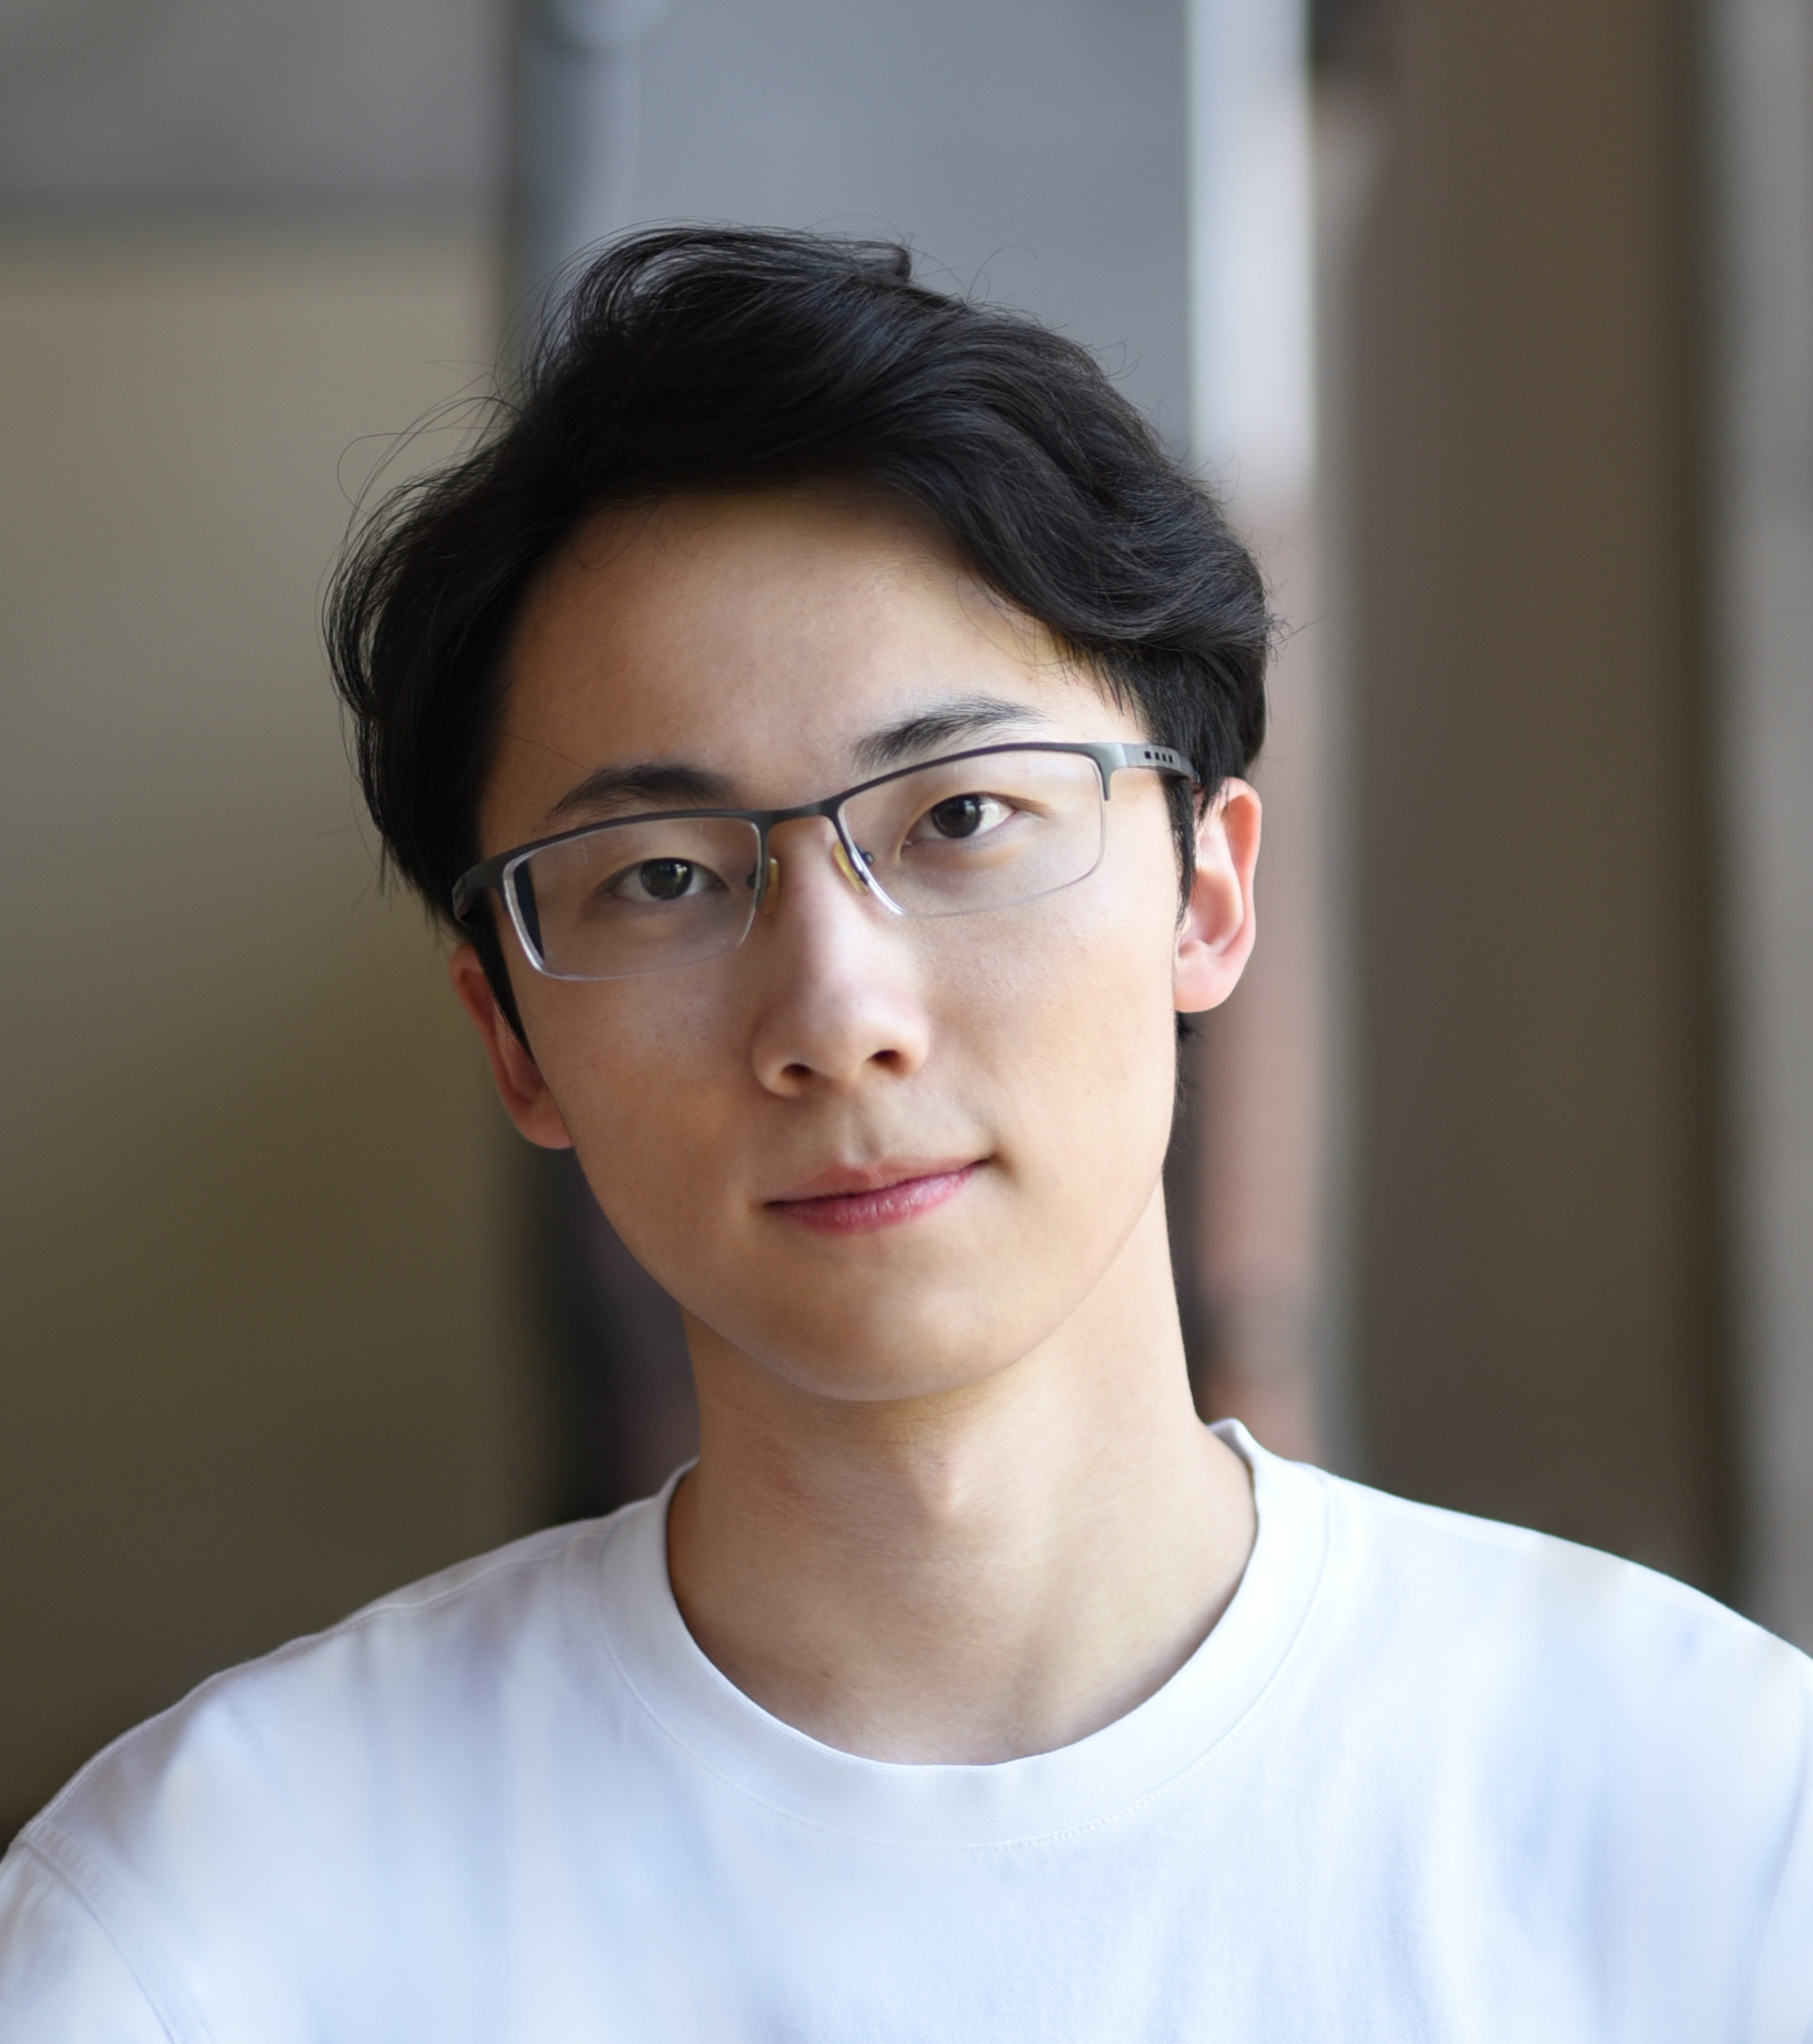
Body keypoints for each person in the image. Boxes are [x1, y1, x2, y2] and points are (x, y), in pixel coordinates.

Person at [0, 225, 1807, 2040]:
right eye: (662, 876)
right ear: (512, 1039)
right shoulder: (210, 1923)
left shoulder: (1707, 1819)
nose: (836, 1012)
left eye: (959, 818)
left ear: (1205, 894)